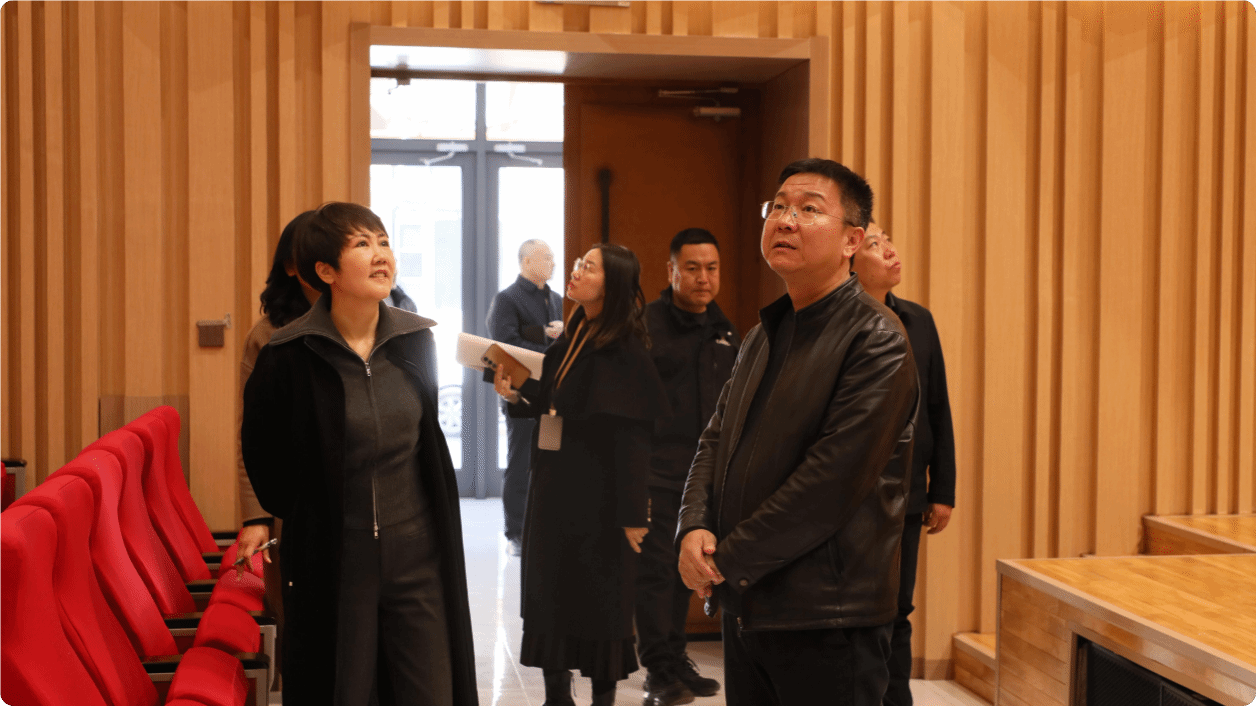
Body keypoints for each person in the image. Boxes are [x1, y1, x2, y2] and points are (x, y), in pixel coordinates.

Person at [676, 158, 919, 706]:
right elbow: (715, 441)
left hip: (827, 616)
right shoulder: (763, 335)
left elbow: (828, 485)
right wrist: (693, 526)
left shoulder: (875, 338)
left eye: (809, 209)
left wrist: (724, 561)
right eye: (779, 206)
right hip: (751, 602)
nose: (785, 219)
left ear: (852, 240)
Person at [241, 202, 478, 706]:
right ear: (326, 272)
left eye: (384, 241)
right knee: (344, 691)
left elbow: (426, 444)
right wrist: (300, 512)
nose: (381, 254)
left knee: (430, 691)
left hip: (417, 552)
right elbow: (262, 453)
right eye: (362, 244)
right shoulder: (289, 353)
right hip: (336, 558)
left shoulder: (415, 340)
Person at [493, 243, 668, 706]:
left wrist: (634, 513)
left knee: (599, 603)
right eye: (577, 264)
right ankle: (557, 696)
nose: (574, 271)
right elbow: (556, 401)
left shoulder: (625, 349)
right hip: (554, 491)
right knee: (549, 595)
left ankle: (602, 699)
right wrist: (516, 394)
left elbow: (633, 438)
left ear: (612, 286)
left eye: (588, 267)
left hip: (600, 500)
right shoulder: (574, 333)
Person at [849, 221, 956, 706]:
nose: (889, 250)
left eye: (887, 239)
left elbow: (938, 406)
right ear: (850, 261)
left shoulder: (919, 320)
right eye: (875, 244)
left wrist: (942, 490)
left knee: (898, 609)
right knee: (859, 612)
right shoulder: (840, 322)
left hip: (909, 492)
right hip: (852, 496)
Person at [636, 228, 738, 706]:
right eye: (692, 268)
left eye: (711, 268)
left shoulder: (725, 330)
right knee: (657, 576)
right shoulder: (646, 326)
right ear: (671, 271)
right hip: (656, 474)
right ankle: (658, 670)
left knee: (688, 572)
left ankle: (677, 659)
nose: (703, 278)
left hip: (704, 480)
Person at [234, 210, 319, 688]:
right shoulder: (268, 336)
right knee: (298, 634)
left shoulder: (373, 325)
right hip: (293, 507)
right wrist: (256, 516)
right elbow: (251, 437)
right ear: (291, 266)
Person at [486, 239, 563, 556]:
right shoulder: (507, 299)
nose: (553, 262)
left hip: (554, 397)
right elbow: (505, 344)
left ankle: (545, 526)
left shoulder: (557, 299)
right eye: (547, 257)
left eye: (553, 257)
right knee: (521, 464)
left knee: (550, 461)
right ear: (527, 261)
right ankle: (516, 533)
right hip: (521, 396)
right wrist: (547, 341)